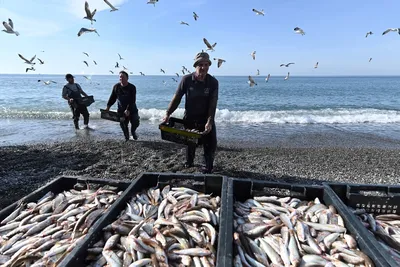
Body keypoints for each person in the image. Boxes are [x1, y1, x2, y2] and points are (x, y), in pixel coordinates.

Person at [162, 52, 219, 174]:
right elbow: (177, 98)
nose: (203, 67)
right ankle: (189, 162)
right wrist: (167, 113)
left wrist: (210, 121)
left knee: (211, 143)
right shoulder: (186, 79)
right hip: (190, 117)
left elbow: (213, 104)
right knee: (190, 143)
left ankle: (208, 166)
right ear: (195, 65)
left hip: (206, 117)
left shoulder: (213, 82)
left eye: (206, 64)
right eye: (201, 65)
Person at [105, 70, 140, 141]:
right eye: (120, 77)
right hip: (121, 109)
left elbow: (133, 100)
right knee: (123, 124)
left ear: (127, 78)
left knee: (136, 122)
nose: (121, 78)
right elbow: (112, 98)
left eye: (123, 77)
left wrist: (128, 109)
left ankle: (133, 132)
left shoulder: (132, 87)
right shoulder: (116, 87)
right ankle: (127, 137)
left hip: (132, 108)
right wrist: (108, 107)